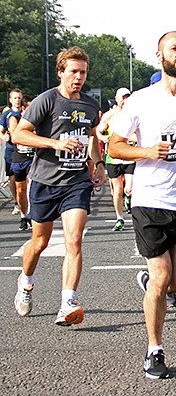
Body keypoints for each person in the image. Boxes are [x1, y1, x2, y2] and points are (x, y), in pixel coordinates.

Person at [108, 31, 176, 379]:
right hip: (150, 200)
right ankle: (154, 350)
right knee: (161, 277)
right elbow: (115, 146)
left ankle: (151, 282)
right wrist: (145, 151)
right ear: (160, 55)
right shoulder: (140, 101)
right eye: (175, 48)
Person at [11, 46, 106, 326]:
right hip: (45, 180)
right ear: (61, 72)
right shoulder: (46, 101)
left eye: (83, 72)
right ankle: (26, 281)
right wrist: (55, 143)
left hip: (76, 182)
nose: (79, 77)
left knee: (74, 240)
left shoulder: (90, 105)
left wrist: (96, 164)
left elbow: (91, 137)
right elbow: (19, 134)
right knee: (39, 242)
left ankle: (67, 303)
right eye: (74, 71)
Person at [96, 87, 134, 231]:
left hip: (130, 156)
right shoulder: (109, 115)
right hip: (113, 157)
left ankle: (129, 197)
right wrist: (104, 138)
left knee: (129, 188)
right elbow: (98, 131)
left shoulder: (134, 114)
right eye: (122, 98)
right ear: (116, 99)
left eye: (127, 97)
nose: (125, 100)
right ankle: (120, 218)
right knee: (117, 190)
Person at [8, 94, 35, 230]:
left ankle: (31, 214)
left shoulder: (38, 119)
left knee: (31, 186)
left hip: (33, 158)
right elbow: (14, 136)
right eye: (29, 108)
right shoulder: (15, 119)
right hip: (19, 158)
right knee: (20, 189)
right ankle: (24, 215)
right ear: (23, 109)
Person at [1, 88, 23, 215]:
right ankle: (16, 201)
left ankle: (26, 202)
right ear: (10, 100)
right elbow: (1, 130)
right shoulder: (7, 114)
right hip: (11, 150)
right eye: (15, 98)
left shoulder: (26, 112)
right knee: (13, 178)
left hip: (25, 151)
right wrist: (4, 137)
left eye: (19, 98)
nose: (17, 101)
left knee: (26, 179)